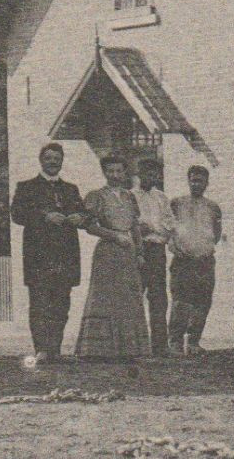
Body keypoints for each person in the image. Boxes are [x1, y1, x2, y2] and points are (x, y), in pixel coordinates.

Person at [10, 143, 87, 367]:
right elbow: (17, 214)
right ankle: (42, 349)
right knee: (40, 302)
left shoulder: (71, 189)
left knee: (62, 302)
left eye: (57, 158)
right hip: (39, 255)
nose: (53, 161)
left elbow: (84, 213)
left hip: (66, 254)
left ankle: (55, 348)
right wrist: (44, 216)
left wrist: (79, 217)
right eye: (49, 157)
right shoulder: (26, 187)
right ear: (41, 160)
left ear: (62, 161)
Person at [75, 154, 151, 362]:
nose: (115, 175)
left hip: (128, 253)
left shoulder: (129, 197)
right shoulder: (96, 196)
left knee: (128, 298)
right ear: (104, 172)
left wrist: (140, 252)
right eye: (110, 171)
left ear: (125, 173)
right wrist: (114, 236)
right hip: (108, 252)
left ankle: (129, 349)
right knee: (106, 297)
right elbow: (88, 226)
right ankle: (100, 350)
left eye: (119, 171)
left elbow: (135, 226)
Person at [169, 165, 223, 355]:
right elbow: (168, 230)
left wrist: (203, 248)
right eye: (193, 180)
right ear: (188, 181)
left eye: (200, 181)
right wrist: (177, 247)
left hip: (205, 261)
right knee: (181, 301)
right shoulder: (176, 203)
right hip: (183, 261)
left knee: (203, 301)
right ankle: (175, 342)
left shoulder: (213, 207)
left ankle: (193, 342)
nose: (196, 184)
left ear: (206, 183)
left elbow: (216, 234)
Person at [132, 158, 176, 356]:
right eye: (146, 173)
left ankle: (160, 345)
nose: (150, 178)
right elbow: (131, 225)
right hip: (137, 250)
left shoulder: (161, 198)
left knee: (158, 296)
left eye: (154, 174)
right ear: (138, 174)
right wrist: (142, 230)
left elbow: (169, 226)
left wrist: (152, 228)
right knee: (135, 295)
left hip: (157, 251)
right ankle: (135, 344)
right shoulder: (130, 196)